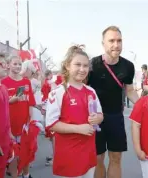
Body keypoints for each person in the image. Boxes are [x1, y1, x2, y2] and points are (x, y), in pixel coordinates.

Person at [88, 26, 139, 178]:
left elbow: (130, 91)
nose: (116, 45)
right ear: (103, 43)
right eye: (111, 41)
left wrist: (145, 104)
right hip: (95, 119)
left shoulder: (128, 66)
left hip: (116, 117)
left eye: (119, 41)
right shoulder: (92, 65)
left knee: (116, 158)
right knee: (98, 159)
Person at [45, 45, 103, 178]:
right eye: (78, 64)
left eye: (86, 66)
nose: (82, 69)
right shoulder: (58, 92)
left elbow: (100, 115)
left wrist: (97, 118)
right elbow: (52, 124)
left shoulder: (91, 91)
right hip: (68, 155)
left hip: (88, 152)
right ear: (67, 66)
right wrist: (79, 129)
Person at [1, 55, 36, 178]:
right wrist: (10, 101)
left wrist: (30, 114)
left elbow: (30, 100)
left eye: (19, 64)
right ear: (8, 65)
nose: (17, 66)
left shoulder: (26, 81)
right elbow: (0, 104)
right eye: (15, 64)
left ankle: (26, 174)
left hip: (24, 124)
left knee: (26, 151)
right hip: (10, 125)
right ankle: (15, 174)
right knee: (13, 153)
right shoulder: (3, 82)